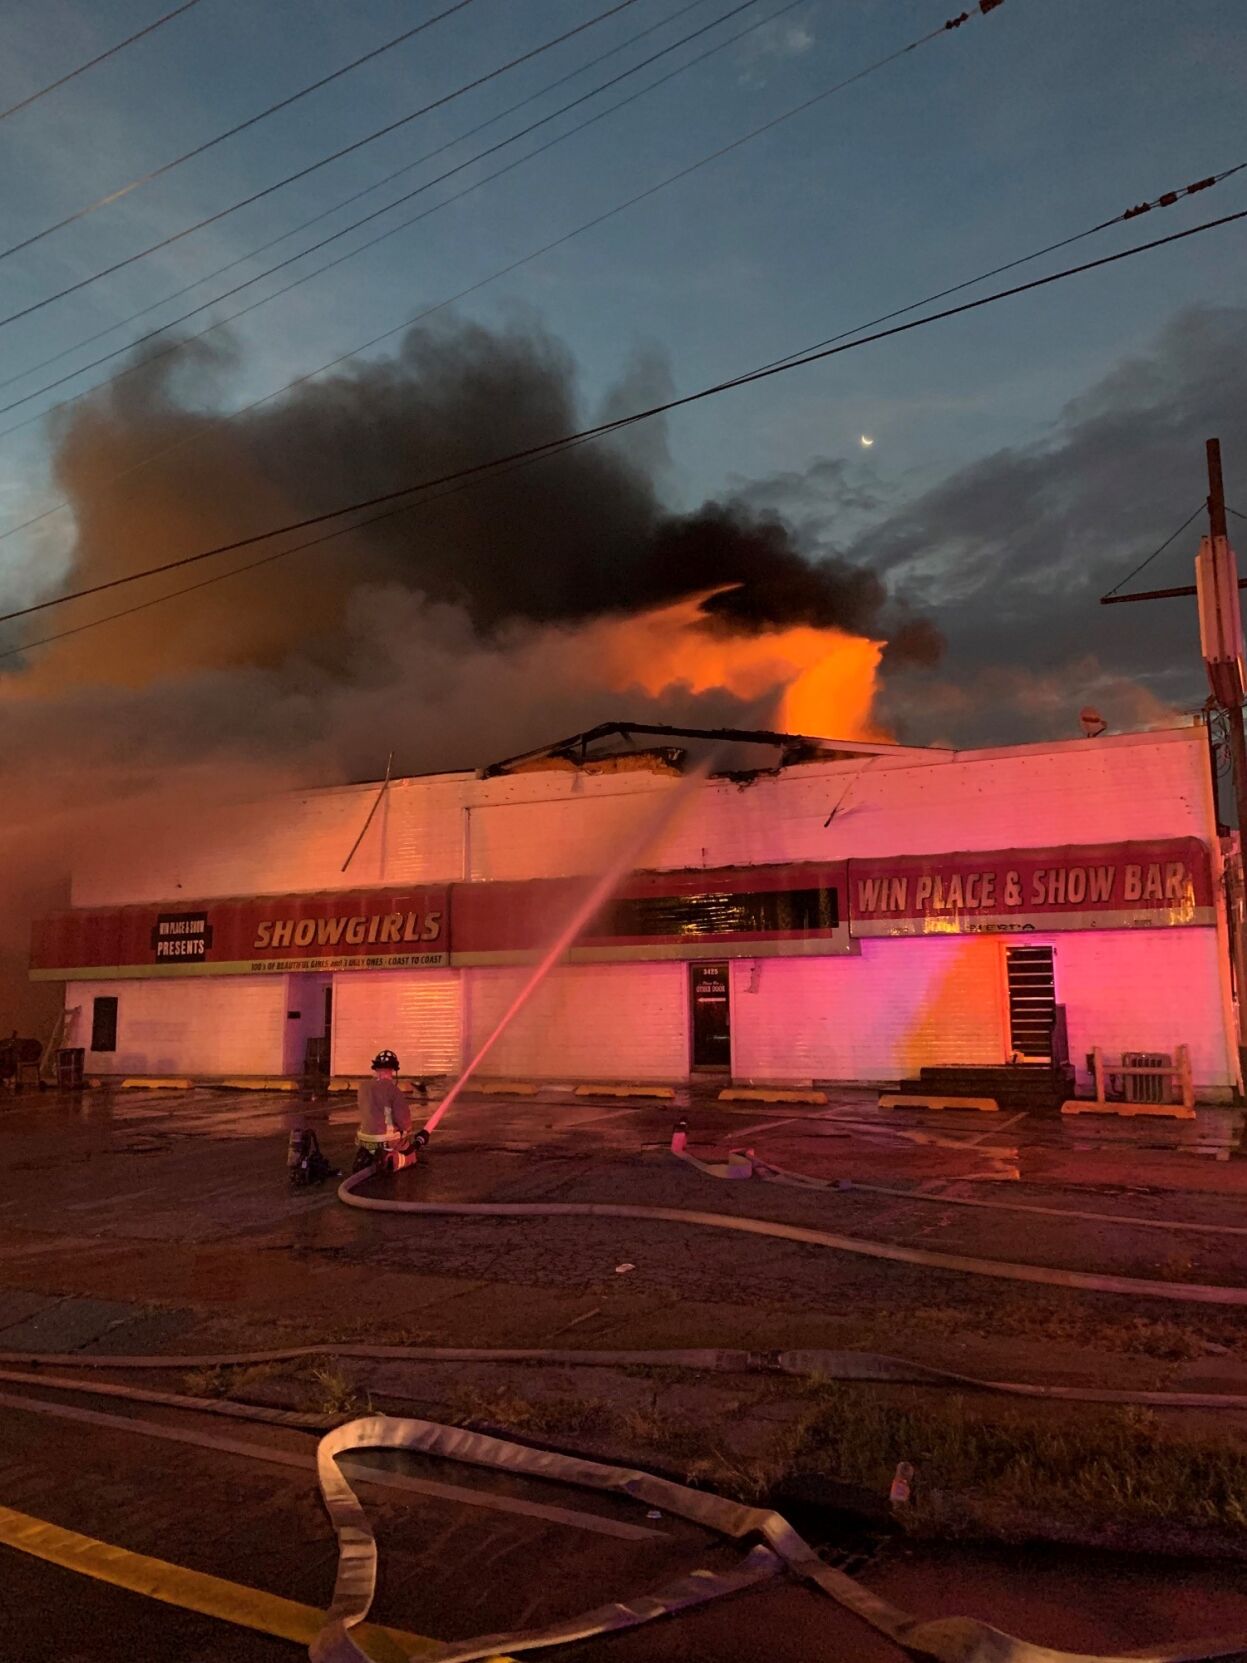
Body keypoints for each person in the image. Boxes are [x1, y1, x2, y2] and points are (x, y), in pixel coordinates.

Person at [353, 1049, 413, 1171]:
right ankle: (391, 1161)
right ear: (393, 1070)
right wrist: (407, 1133)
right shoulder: (394, 1091)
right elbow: (404, 1122)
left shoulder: (363, 1087)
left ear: (376, 1069)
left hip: (363, 1140)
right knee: (411, 1156)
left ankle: (367, 1155)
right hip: (385, 1141)